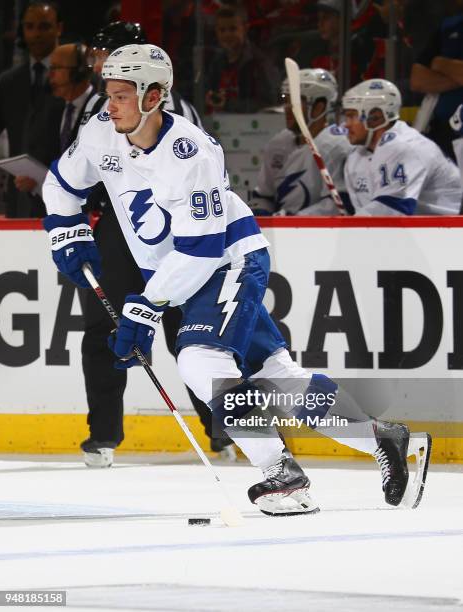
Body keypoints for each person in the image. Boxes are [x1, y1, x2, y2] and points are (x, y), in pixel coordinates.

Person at [41, 43, 431, 515]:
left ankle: (280, 473)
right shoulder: (102, 130)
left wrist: (146, 306)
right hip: (180, 270)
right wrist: (66, 229)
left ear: (153, 96)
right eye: (109, 93)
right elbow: (62, 183)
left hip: (226, 261)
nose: (111, 104)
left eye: (122, 94)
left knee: (199, 361)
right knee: (276, 375)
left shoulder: (192, 153)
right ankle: (381, 439)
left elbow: (201, 250)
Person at [71, 22, 233, 468]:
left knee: (189, 328)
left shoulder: (176, 112)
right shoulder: (95, 106)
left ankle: (221, 427)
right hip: (117, 225)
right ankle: (103, 432)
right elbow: (77, 167)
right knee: (105, 328)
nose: (100, 63)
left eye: (107, 53)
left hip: (174, 228)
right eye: (99, 54)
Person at [342, 78, 462, 216]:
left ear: (376, 116)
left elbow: (393, 211)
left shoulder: (404, 145)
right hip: (417, 233)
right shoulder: (356, 157)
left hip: (450, 231)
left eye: (352, 116)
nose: (346, 124)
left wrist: (347, 231)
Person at [249, 68, 353, 216]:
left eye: (295, 102)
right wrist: (259, 213)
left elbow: (339, 205)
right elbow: (264, 195)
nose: (287, 108)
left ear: (319, 107)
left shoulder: (337, 146)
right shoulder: (278, 143)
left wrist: (294, 220)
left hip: (322, 236)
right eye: (286, 100)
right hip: (281, 232)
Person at [0, 1, 64, 217]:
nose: (36, 34)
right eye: (30, 26)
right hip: (19, 198)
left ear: (59, 28)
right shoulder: (9, 82)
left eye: (44, 26)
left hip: (63, 197)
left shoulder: (76, 79)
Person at [410, 0, 463, 158]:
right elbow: (417, 80)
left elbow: (435, 63)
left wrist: (441, 64)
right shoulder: (449, 26)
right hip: (442, 131)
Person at [205, 5, 280, 113]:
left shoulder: (260, 62)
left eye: (233, 29)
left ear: (245, 28)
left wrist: (228, 104)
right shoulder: (216, 62)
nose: (227, 34)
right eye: (222, 30)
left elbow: (269, 104)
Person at [49, 43, 100, 154]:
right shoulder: (50, 107)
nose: (50, 75)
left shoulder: (102, 110)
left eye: (56, 68)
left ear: (79, 72)